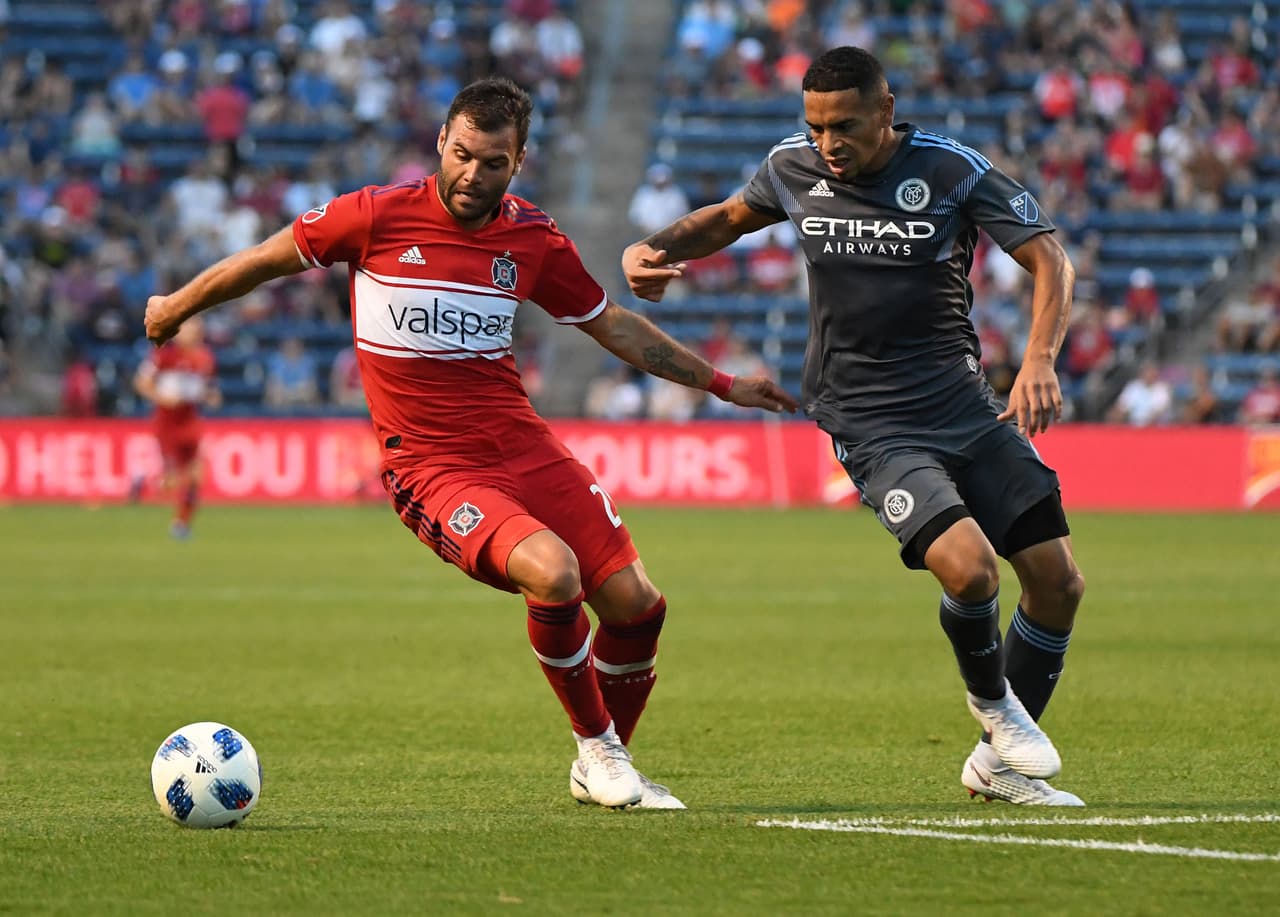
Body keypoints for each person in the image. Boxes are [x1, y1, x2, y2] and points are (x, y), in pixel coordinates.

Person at [144, 78, 796, 810]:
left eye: (493, 162)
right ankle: (601, 749)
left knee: (638, 605)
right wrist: (176, 305)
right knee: (553, 573)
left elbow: (609, 322)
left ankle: (604, 759)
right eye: (461, 155)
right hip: (432, 467)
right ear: (440, 144)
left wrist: (720, 382)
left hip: (524, 447)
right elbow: (264, 259)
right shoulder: (374, 216)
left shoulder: (533, 238)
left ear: (517, 162)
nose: (472, 174)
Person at [623, 47, 1086, 806]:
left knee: (1058, 580)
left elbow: (1049, 257)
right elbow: (730, 220)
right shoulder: (793, 168)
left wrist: (1039, 358)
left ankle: (997, 766)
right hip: (869, 418)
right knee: (970, 569)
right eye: (814, 126)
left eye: (842, 126)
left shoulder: (951, 169)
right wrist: (656, 249)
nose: (827, 143)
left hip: (963, 405)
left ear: (886, 113)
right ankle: (998, 708)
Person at [131, 316, 221, 539]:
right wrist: (161, 397)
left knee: (197, 476)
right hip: (167, 422)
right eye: (189, 327)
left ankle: (181, 523)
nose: (194, 332)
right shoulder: (163, 355)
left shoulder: (204, 358)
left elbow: (206, 389)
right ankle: (142, 481)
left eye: (197, 327)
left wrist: (211, 397)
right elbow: (141, 383)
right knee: (171, 480)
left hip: (190, 420)